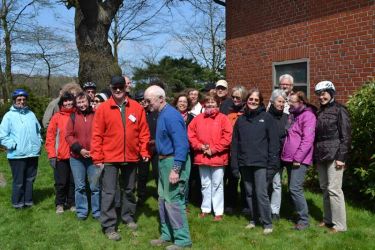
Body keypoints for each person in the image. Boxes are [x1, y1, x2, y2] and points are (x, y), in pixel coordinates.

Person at [91, 76, 150, 241]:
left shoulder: (137, 108)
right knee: (109, 192)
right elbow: (96, 135)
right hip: (109, 158)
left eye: (121, 87)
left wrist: (144, 151)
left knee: (130, 190)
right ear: (110, 88)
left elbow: (144, 133)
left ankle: (128, 216)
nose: (118, 90)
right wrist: (97, 157)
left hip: (131, 157)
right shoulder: (103, 109)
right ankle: (109, 225)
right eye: (115, 87)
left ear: (126, 88)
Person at [145, 85, 192, 250]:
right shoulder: (161, 114)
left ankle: (182, 239)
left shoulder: (171, 116)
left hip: (173, 162)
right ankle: (167, 235)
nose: (147, 104)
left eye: (149, 100)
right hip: (164, 161)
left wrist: (176, 169)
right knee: (163, 200)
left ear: (160, 98)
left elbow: (182, 144)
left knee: (173, 201)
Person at [231, 88, 279, 234]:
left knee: (261, 193)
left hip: (261, 164)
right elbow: (235, 144)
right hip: (245, 163)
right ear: (247, 101)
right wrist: (235, 165)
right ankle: (253, 219)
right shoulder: (241, 120)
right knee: (249, 193)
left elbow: (274, 143)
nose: (253, 102)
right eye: (251, 99)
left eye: (256, 100)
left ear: (260, 102)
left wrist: (272, 166)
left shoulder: (267, 118)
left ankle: (267, 223)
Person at [188, 93, 232, 221]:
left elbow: (227, 137)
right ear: (204, 104)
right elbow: (191, 135)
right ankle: (206, 209)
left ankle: (218, 212)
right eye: (208, 102)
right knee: (205, 184)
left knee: (217, 185)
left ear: (218, 104)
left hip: (218, 157)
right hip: (202, 156)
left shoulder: (223, 118)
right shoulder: (198, 119)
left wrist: (213, 150)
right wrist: (200, 147)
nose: (210, 104)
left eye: (213, 102)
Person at [314, 81, 351, 233]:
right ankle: (328, 219)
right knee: (324, 188)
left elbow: (346, 136)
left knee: (334, 189)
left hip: (335, 154)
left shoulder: (340, 110)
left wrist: (341, 157)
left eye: (323, 93)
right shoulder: (319, 112)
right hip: (321, 154)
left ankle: (340, 225)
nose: (321, 97)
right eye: (318, 94)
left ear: (331, 93)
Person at [0, 89, 42, 208]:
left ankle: (28, 201)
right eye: (19, 99)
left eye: (24, 99)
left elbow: (38, 131)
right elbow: (2, 135)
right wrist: (13, 145)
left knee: (30, 179)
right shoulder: (8, 116)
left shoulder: (31, 114)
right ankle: (17, 203)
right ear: (14, 101)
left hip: (32, 153)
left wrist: (39, 142)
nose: (22, 101)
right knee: (18, 181)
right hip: (17, 154)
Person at [281, 91, 316, 230]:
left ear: (301, 102)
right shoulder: (294, 115)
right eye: (289, 101)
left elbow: (308, 140)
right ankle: (297, 214)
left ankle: (304, 221)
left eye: (292, 102)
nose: (289, 104)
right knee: (292, 188)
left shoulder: (308, 116)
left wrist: (298, 158)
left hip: (299, 159)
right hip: (289, 158)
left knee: (295, 188)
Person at [65, 92, 101, 220]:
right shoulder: (73, 116)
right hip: (77, 157)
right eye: (79, 102)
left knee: (95, 186)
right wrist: (79, 149)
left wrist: (94, 150)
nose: (81, 105)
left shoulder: (96, 115)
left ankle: (97, 211)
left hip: (93, 157)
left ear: (88, 101)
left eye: (83, 102)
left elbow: (101, 133)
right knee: (80, 186)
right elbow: (68, 135)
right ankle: (82, 211)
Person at [45, 92, 76, 214]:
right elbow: (50, 137)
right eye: (65, 101)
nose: (68, 103)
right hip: (60, 156)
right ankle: (60, 204)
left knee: (73, 182)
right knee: (61, 182)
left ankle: (72, 202)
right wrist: (52, 155)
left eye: (70, 101)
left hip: (75, 156)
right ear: (62, 103)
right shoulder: (56, 117)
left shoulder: (77, 115)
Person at [225, 85, 248, 214]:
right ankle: (231, 204)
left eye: (238, 97)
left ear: (244, 98)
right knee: (232, 179)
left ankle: (245, 204)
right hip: (231, 150)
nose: (234, 99)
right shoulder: (229, 112)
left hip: (244, 150)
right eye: (233, 97)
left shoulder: (247, 112)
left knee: (245, 180)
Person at [267, 89, 288, 221]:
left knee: (276, 184)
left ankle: (275, 211)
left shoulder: (287, 117)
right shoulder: (265, 116)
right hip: (266, 155)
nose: (281, 104)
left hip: (280, 156)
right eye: (279, 101)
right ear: (272, 102)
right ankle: (264, 208)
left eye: (283, 101)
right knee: (265, 184)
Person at [173, 93, 195, 206]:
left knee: (185, 178)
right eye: (180, 101)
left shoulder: (192, 118)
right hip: (173, 152)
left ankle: (184, 202)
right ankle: (174, 201)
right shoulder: (171, 116)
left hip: (187, 151)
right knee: (174, 176)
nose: (182, 103)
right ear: (176, 103)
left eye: (185, 102)